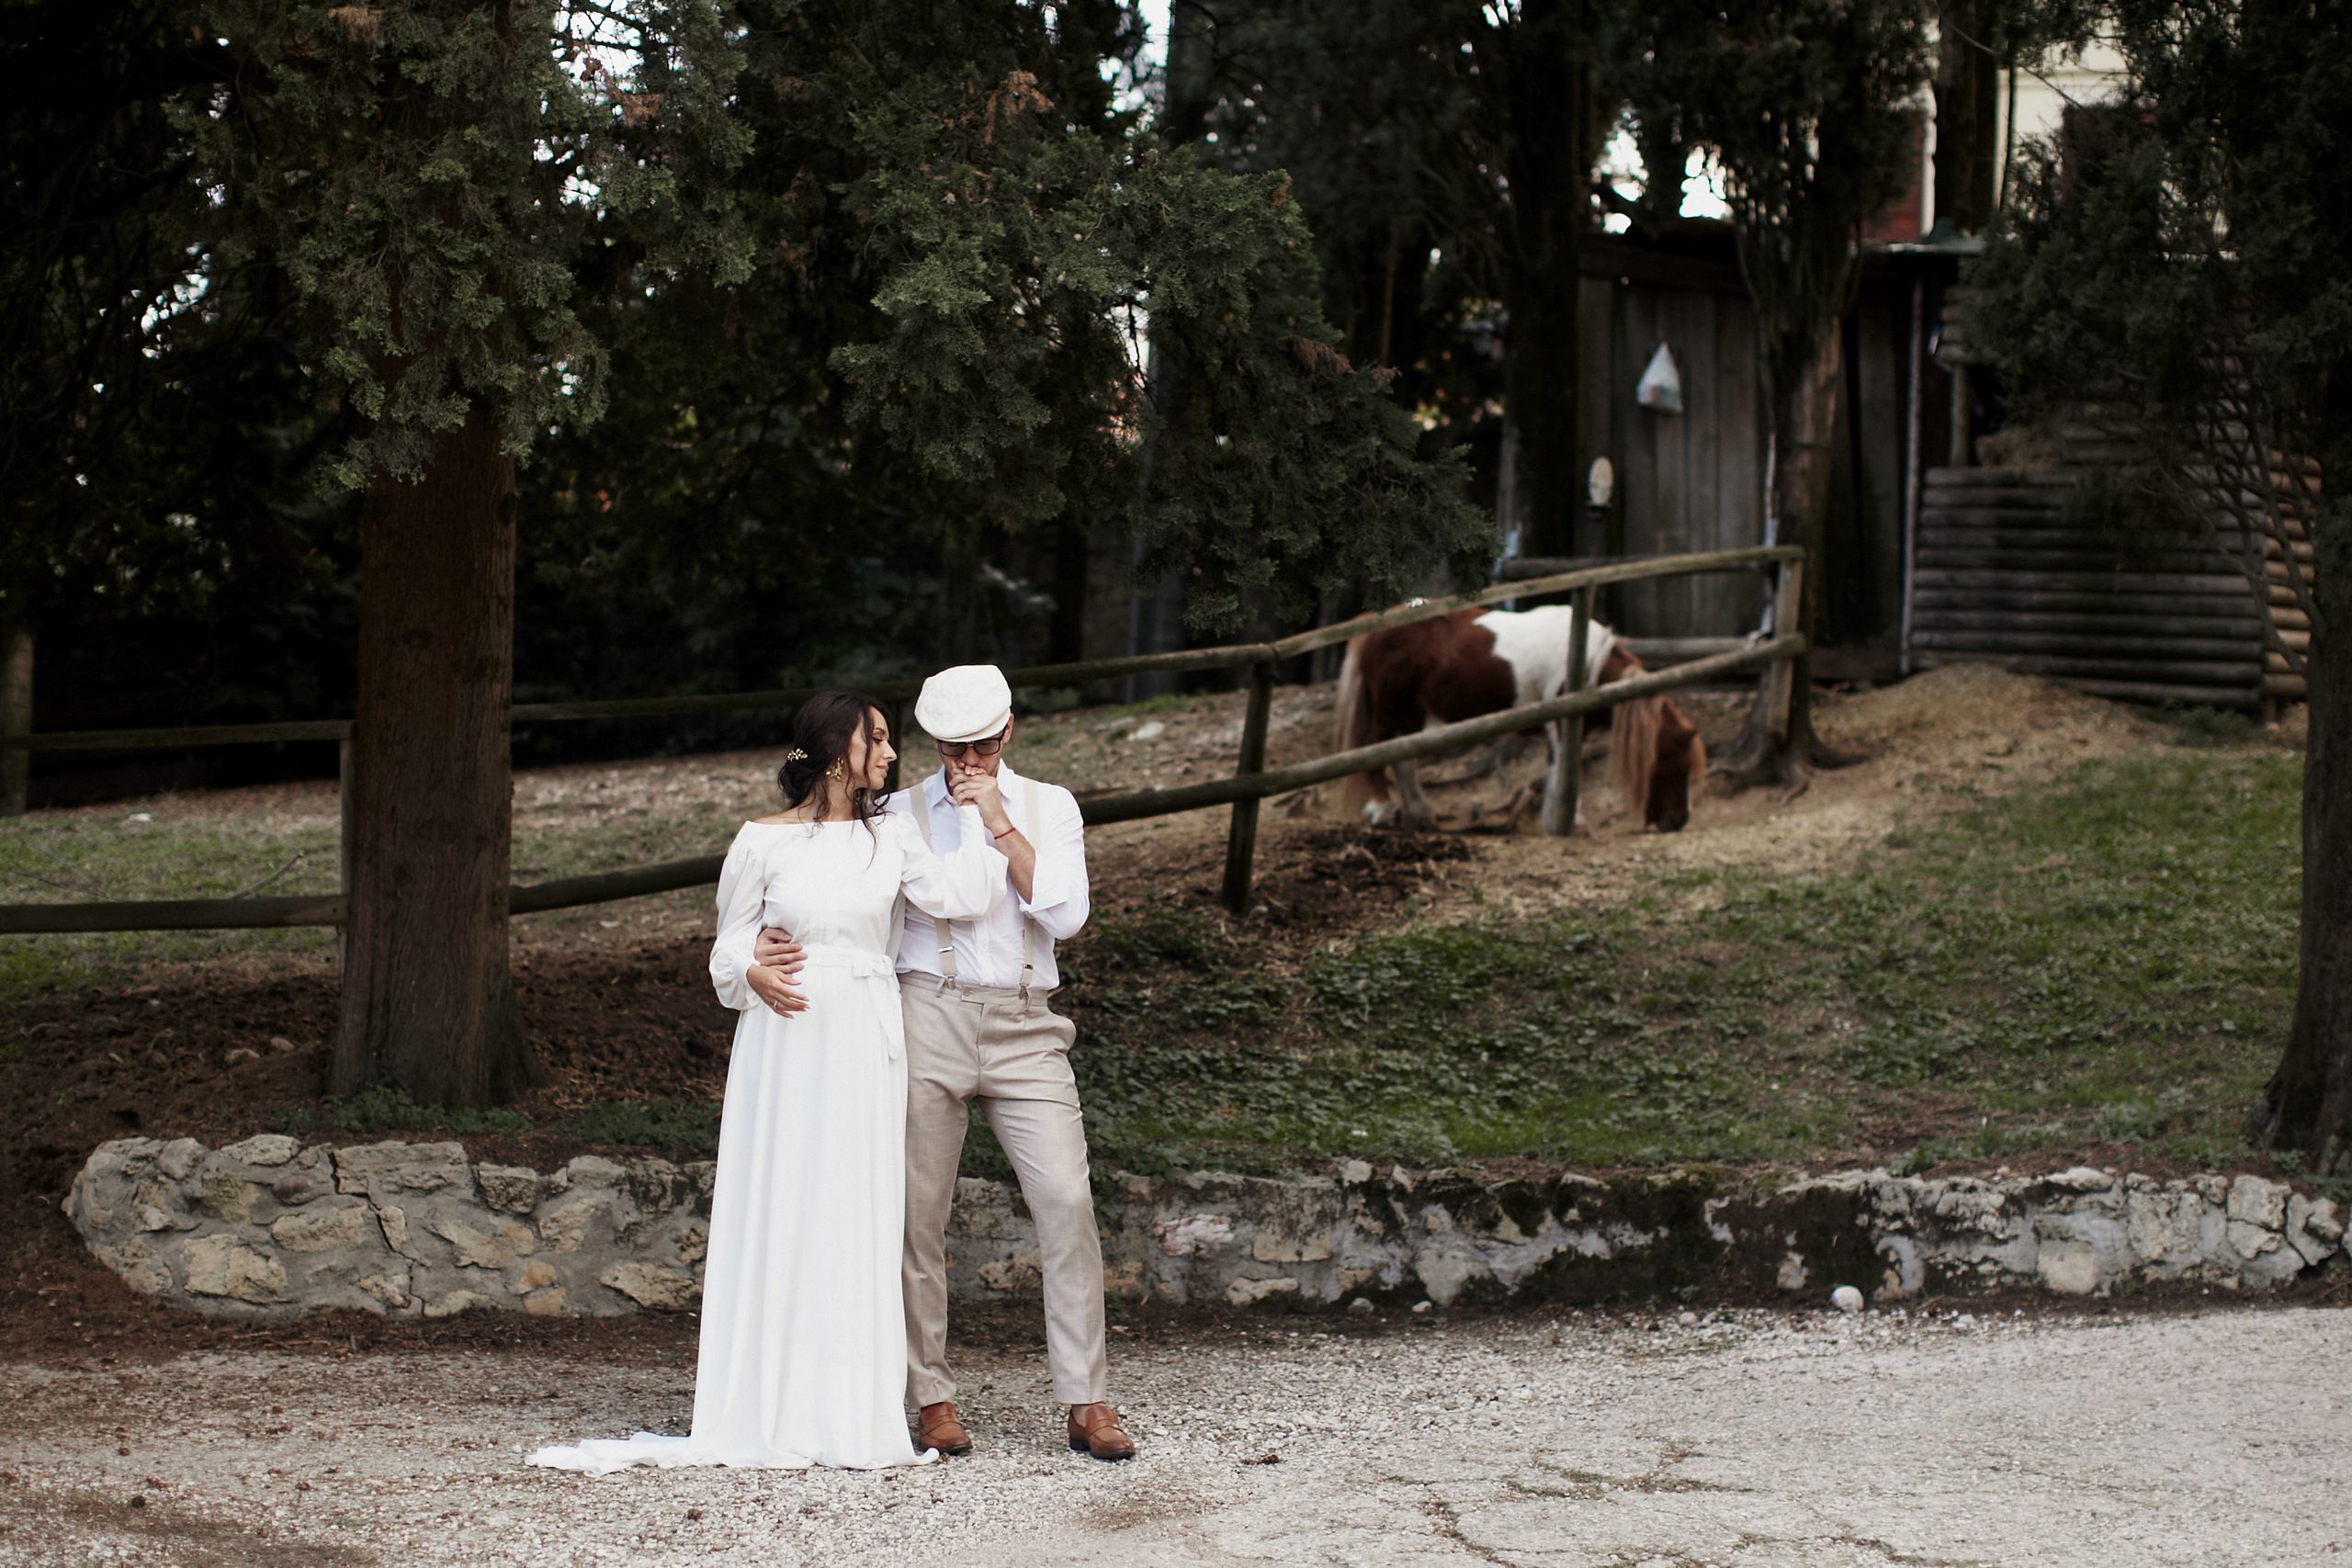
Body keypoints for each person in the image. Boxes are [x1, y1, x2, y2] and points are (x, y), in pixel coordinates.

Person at [528, 691, 1007, 1474]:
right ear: (830, 751)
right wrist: (753, 967)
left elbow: (967, 894)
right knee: (785, 1205)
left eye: (889, 740)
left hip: (862, 1035)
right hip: (784, 1043)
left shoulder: (893, 837)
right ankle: (768, 1405)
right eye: (875, 739)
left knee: (855, 1214)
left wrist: (987, 815)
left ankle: (850, 1411)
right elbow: (724, 956)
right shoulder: (759, 842)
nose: (890, 754)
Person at [756, 664, 1136, 1461]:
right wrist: (760, 937)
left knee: (1067, 1199)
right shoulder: (891, 810)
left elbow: (1065, 913)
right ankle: (930, 1394)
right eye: (953, 748)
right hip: (927, 1009)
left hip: (1029, 1019)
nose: (967, 761)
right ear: (934, 742)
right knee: (914, 1214)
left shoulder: (1048, 805)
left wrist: (995, 817)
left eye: (982, 746)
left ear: (1007, 734)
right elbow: (827, 884)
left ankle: (1087, 1397)